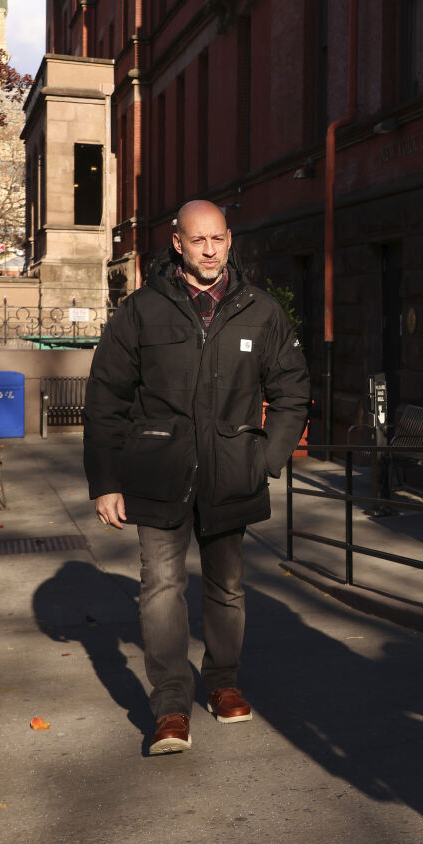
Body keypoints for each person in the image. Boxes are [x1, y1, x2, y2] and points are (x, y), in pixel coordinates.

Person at [84, 199, 310, 756]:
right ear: (177, 243)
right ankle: (170, 706)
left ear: (229, 240)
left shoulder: (261, 310)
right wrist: (105, 480)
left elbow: (292, 391)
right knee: (161, 586)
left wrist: (268, 459)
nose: (209, 249)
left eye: (218, 239)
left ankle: (224, 681)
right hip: (156, 472)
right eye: (197, 240)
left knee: (226, 587)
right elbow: (105, 398)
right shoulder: (140, 310)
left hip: (232, 473)